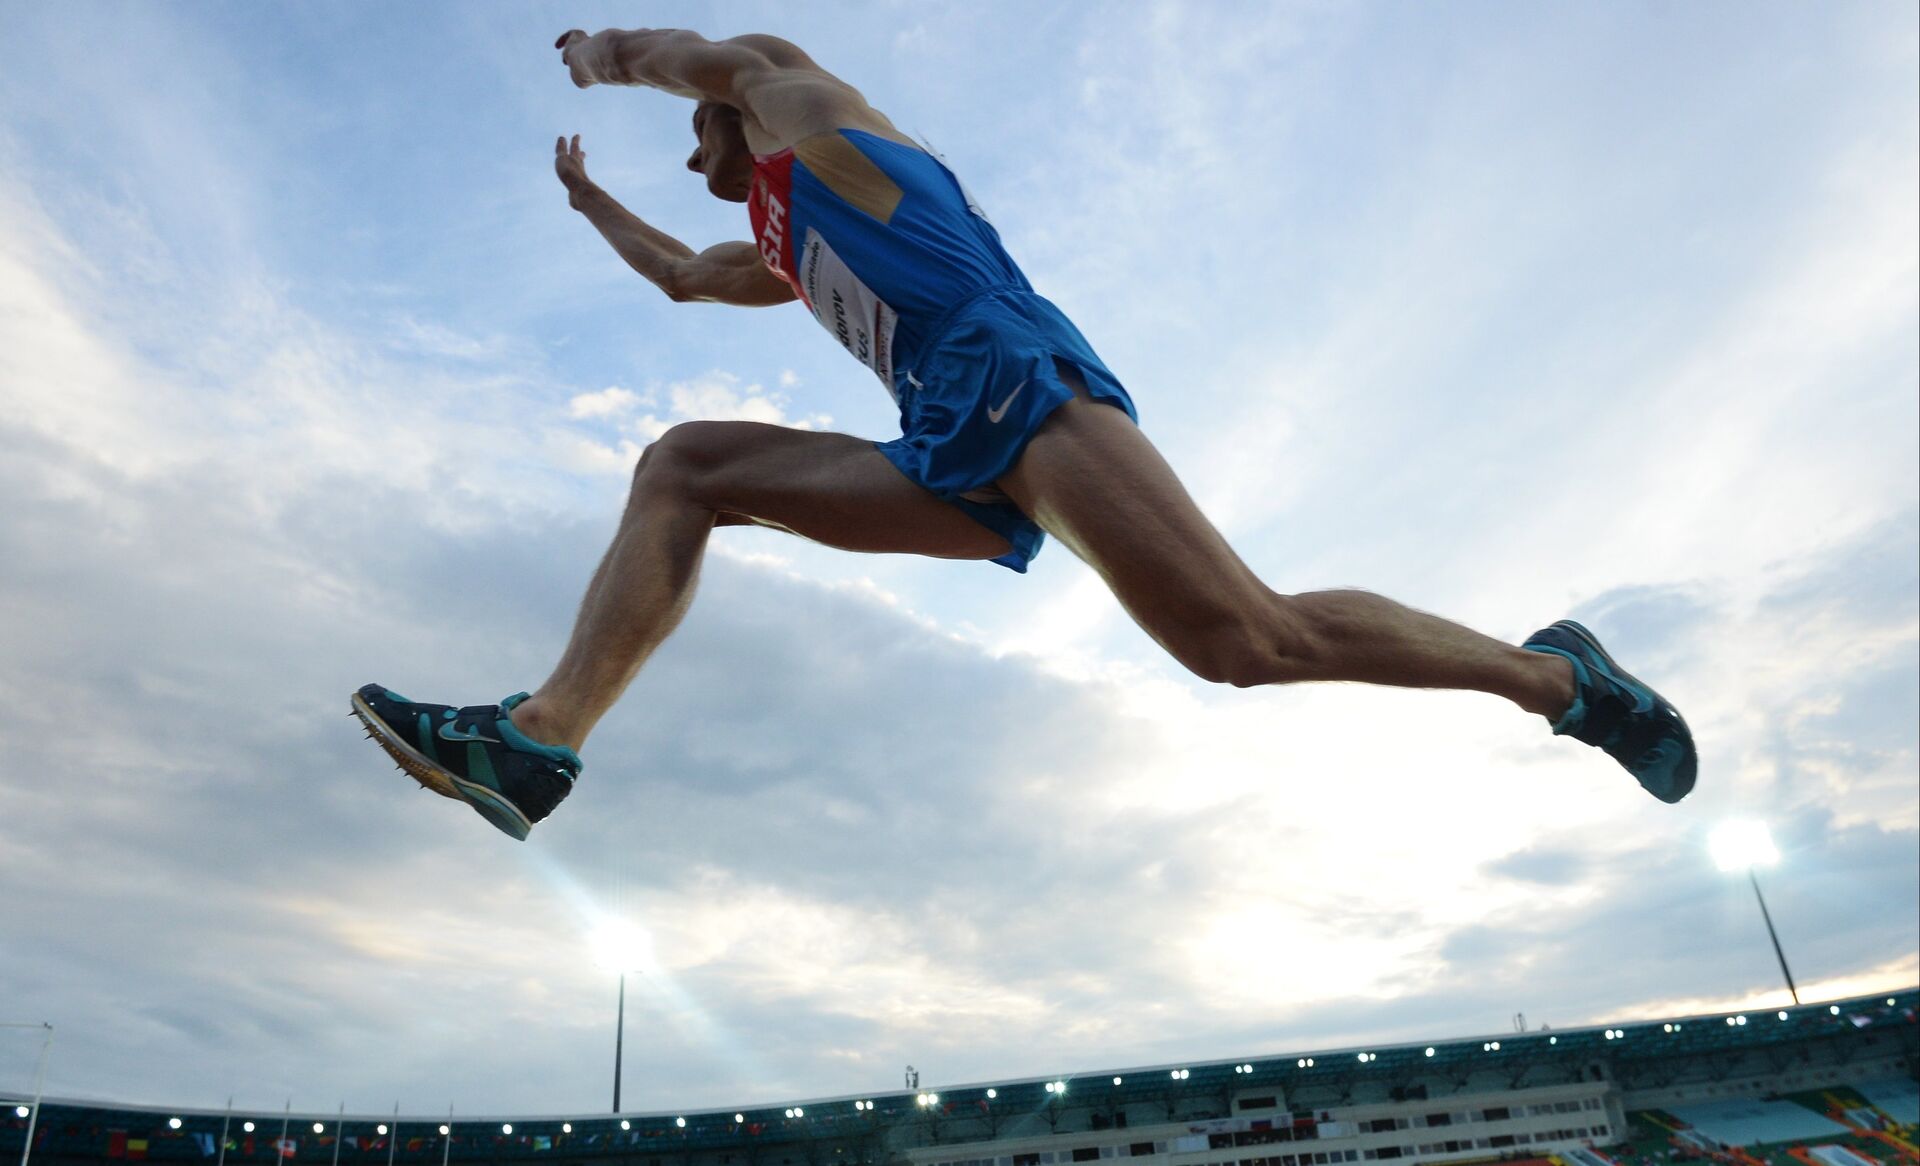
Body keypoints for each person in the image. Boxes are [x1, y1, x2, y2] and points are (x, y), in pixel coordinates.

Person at [351, 27, 1696, 840]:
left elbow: (672, 59)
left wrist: (600, 53)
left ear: (728, 116)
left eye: (697, 144)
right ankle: (541, 736)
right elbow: (684, 277)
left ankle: (1564, 681)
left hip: (1011, 364)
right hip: (940, 430)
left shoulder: (801, 115)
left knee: (1248, 640)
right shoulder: (777, 238)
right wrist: (589, 205)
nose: (694, 165)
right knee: (684, 467)